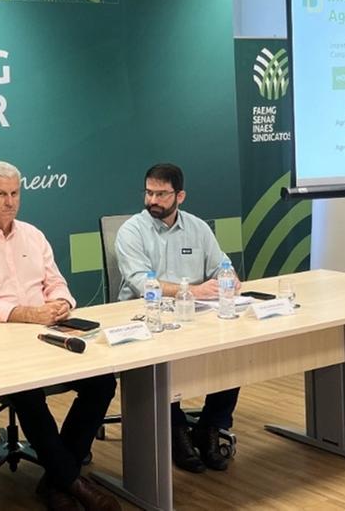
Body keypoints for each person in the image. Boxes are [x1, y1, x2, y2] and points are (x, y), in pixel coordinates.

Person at [0, 161, 121, 511]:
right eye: (1, 194)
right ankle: (72, 482)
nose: (9, 201)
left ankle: (55, 481)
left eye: (15, 193)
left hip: (47, 333)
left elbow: (56, 281)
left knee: (102, 381)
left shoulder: (33, 234)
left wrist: (60, 302)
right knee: (27, 393)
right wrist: (29, 314)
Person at [115, 162, 240, 473]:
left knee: (236, 348)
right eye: (148, 192)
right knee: (163, 358)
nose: (152, 200)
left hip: (196, 315)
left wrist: (230, 278)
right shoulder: (132, 230)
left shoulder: (198, 228)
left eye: (161, 194)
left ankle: (210, 427)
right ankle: (175, 431)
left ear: (180, 196)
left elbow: (222, 265)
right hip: (146, 318)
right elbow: (142, 283)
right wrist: (193, 291)